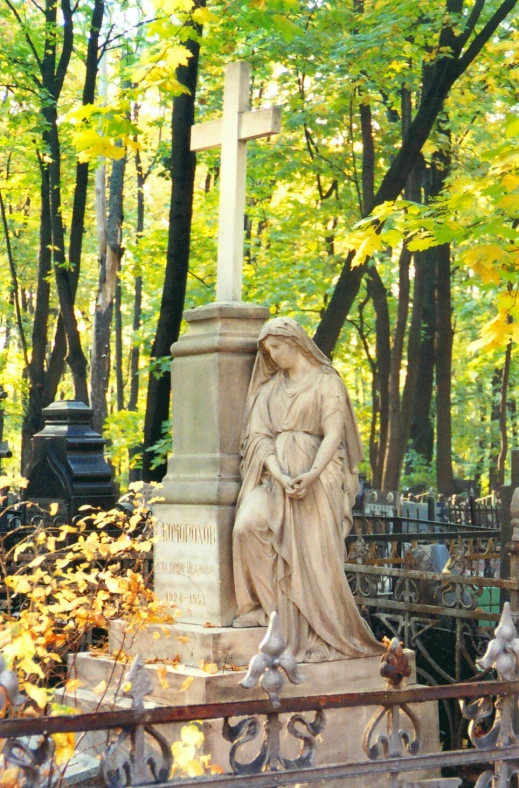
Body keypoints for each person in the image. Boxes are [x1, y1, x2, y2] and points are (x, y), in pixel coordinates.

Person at [232, 317, 384, 662]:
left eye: (276, 348)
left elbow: (334, 433)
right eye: (267, 351)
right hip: (276, 478)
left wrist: (312, 474)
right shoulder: (269, 390)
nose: (271, 356)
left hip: (319, 476)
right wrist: (279, 474)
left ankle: (320, 633)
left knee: (315, 557)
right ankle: (276, 617)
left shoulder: (325, 382)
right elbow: (259, 437)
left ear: (295, 342)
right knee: (247, 527)